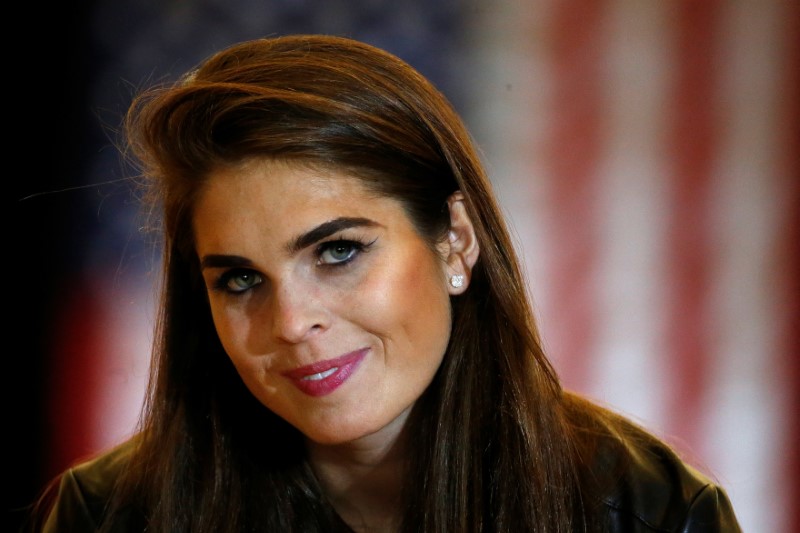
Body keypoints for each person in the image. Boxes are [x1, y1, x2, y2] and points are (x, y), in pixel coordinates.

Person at [28, 34, 742, 533]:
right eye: (241, 279)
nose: (291, 321)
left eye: (338, 251)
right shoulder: (111, 513)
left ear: (456, 241)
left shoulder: (647, 509)